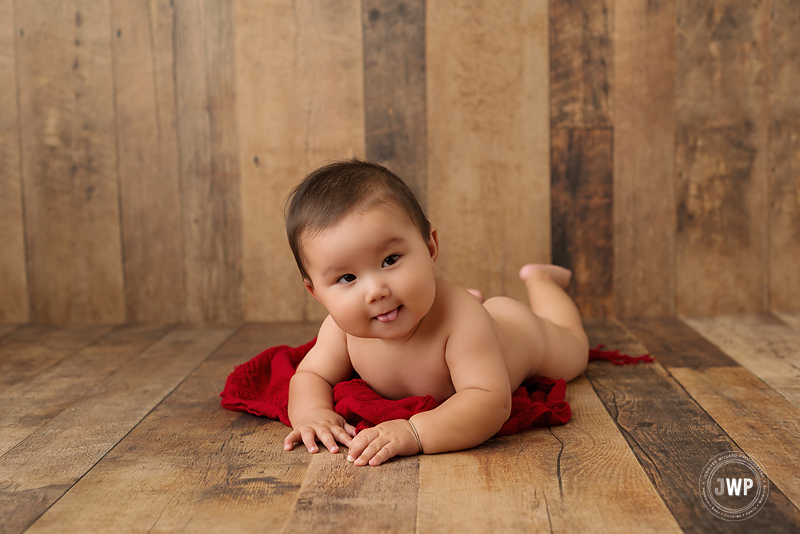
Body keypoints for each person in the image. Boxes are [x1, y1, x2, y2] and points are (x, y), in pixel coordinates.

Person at [282, 159, 589, 466]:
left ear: (430, 249)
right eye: (347, 278)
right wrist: (313, 413)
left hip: (520, 332)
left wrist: (415, 432)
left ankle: (541, 281)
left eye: (390, 260)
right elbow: (311, 374)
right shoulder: (342, 329)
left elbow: (490, 401)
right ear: (316, 292)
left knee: (574, 350)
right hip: (454, 315)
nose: (376, 291)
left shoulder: (462, 322)